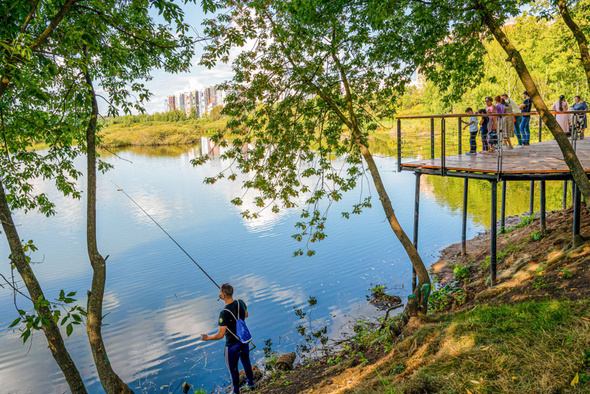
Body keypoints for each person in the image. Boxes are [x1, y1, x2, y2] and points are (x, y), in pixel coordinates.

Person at [201, 283, 255, 394]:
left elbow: (220, 335)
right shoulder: (241, 303)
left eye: (221, 293)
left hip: (232, 345)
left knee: (233, 369)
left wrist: (208, 338)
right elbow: (246, 315)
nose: (220, 295)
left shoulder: (224, 313)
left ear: (223, 296)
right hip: (244, 341)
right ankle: (251, 385)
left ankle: (235, 391)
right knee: (246, 362)